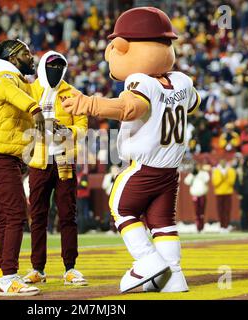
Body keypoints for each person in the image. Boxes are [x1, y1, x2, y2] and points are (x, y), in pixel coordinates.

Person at [63, 7, 200, 293]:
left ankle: (146, 260)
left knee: (121, 207)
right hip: (170, 169)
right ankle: (173, 275)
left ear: (122, 46)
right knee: (163, 222)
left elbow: (129, 108)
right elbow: (192, 104)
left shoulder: (140, 81)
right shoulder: (182, 80)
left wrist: (90, 104)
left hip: (145, 165)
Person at [0, 39, 45, 296]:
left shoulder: (15, 79)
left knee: (8, 215)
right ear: (13, 57)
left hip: (6, 155)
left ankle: (1, 275)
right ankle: (8, 276)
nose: (31, 57)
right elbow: (14, 96)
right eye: (26, 53)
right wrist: (34, 108)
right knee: (16, 214)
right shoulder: (4, 76)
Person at [22, 51, 88, 286]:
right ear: (42, 67)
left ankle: (70, 268)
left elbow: (82, 126)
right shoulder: (29, 90)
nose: (56, 70)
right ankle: (37, 268)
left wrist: (69, 132)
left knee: (67, 215)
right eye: (52, 66)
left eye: (60, 66)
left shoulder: (72, 93)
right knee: (38, 216)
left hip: (63, 158)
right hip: (38, 160)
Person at [184, 162, 210, 232]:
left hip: (202, 194)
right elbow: (186, 181)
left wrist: (200, 173)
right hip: (195, 194)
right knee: (196, 212)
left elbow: (207, 179)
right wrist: (193, 175)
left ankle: (202, 227)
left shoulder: (203, 173)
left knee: (202, 212)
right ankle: (198, 227)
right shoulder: (192, 174)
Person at [212, 159, 236, 233]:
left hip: (228, 192)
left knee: (227, 210)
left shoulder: (231, 170)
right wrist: (222, 177)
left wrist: (226, 176)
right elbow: (215, 182)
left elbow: (232, 182)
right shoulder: (216, 171)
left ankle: (227, 225)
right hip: (219, 193)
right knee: (220, 210)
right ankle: (221, 226)